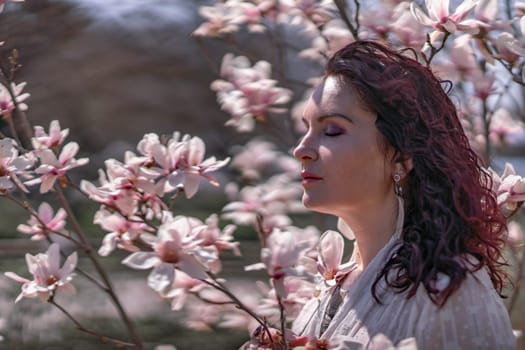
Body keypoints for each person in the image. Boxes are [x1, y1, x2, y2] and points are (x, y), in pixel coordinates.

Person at [289, 40, 517, 349]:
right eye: (306, 129)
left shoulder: (449, 291)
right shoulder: (331, 284)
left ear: (401, 155)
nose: (301, 149)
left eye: (331, 130)